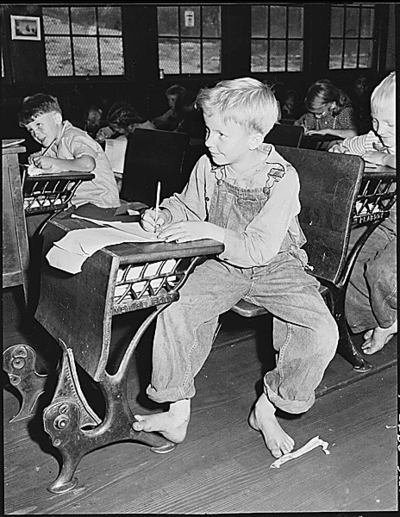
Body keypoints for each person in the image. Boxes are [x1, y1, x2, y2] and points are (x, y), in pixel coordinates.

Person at [132, 77, 339, 459]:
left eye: (220, 134)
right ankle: (177, 412)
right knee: (177, 309)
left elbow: (260, 247)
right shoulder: (210, 163)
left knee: (322, 331)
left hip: (276, 263)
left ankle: (268, 407)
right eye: (208, 130)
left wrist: (211, 229)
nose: (209, 141)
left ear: (254, 138)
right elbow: (188, 204)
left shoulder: (281, 178)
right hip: (225, 264)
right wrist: (163, 214)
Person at [329, 71, 396, 355]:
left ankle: (389, 323)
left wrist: (384, 158)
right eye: (376, 121)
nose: (382, 130)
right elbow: (351, 146)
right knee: (350, 258)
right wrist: (339, 149)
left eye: (392, 123)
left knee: (383, 272)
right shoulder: (379, 138)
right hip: (388, 223)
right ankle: (381, 317)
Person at [18, 93, 120, 209]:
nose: (36, 134)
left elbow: (88, 164)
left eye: (39, 125)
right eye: (31, 130)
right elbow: (46, 156)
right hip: (78, 203)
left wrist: (53, 162)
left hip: (101, 203)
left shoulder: (72, 136)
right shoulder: (52, 144)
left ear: (57, 118)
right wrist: (35, 159)